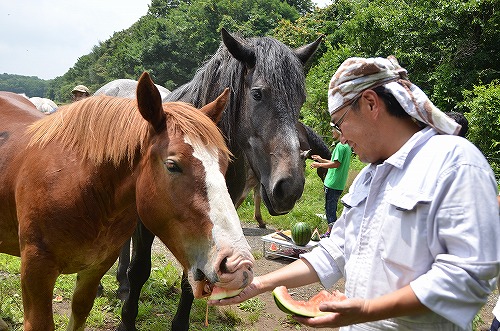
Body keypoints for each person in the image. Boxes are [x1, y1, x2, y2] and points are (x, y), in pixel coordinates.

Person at [209, 56, 500, 330]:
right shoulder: (369, 176)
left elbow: (468, 277)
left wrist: (370, 310)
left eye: (339, 123)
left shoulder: (454, 162)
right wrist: (260, 284)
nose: (342, 138)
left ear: (371, 103)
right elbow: (336, 251)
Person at [310, 130, 351, 238]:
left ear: (339, 131)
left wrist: (319, 165)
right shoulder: (347, 146)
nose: (332, 131)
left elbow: (336, 164)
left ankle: (332, 235)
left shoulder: (340, 147)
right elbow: (335, 162)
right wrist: (321, 160)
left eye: (334, 129)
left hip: (332, 183)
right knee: (332, 208)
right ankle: (330, 231)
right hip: (339, 184)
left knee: (330, 210)